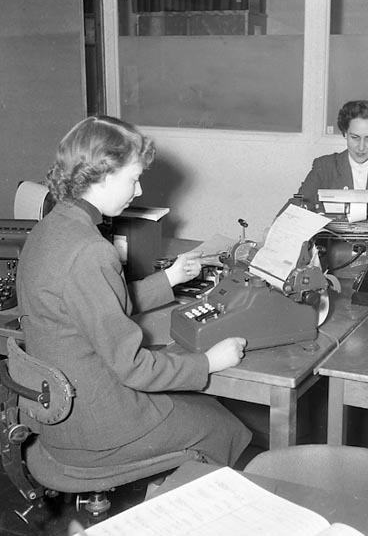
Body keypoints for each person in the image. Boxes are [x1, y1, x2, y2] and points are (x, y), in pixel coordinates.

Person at [16, 115, 251, 469]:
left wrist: (169, 278)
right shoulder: (90, 249)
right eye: (134, 179)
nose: (138, 191)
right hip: (97, 431)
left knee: (198, 406)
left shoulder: (50, 228)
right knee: (225, 426)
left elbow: (97, 304)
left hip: (60, 415)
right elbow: (135, 368)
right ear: (104, 175)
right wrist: (210, 362)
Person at [280, 100, 368, 215]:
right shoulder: (325, 166)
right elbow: (298, 205)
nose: (361, 147)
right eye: (355, 137)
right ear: (345, 134)